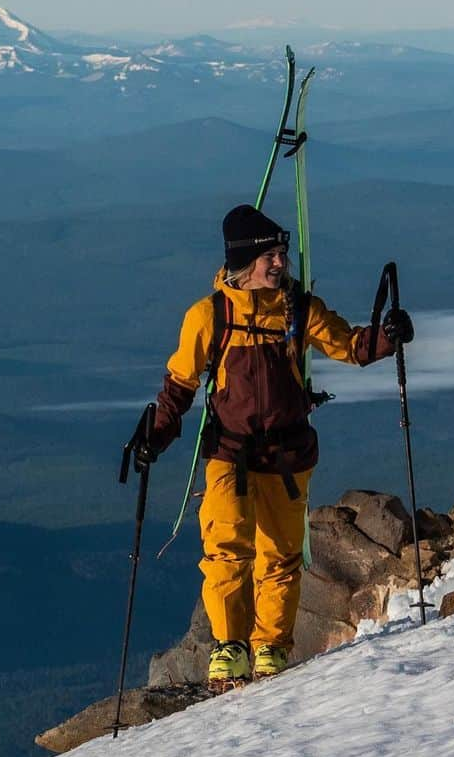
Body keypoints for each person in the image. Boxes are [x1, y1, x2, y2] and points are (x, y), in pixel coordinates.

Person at [134, 204, 413, 690]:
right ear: (246, 263)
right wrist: (154, 435)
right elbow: (179, 385)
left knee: (280, 557)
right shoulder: (209, 317)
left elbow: (349, 345)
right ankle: (230, 648)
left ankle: (270, 650)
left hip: (286, 458)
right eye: (272, 257)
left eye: (283, 254)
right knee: (226, 548)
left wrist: (386, 340)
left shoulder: (299, 310)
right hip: (232, 454)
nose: (282, 263)